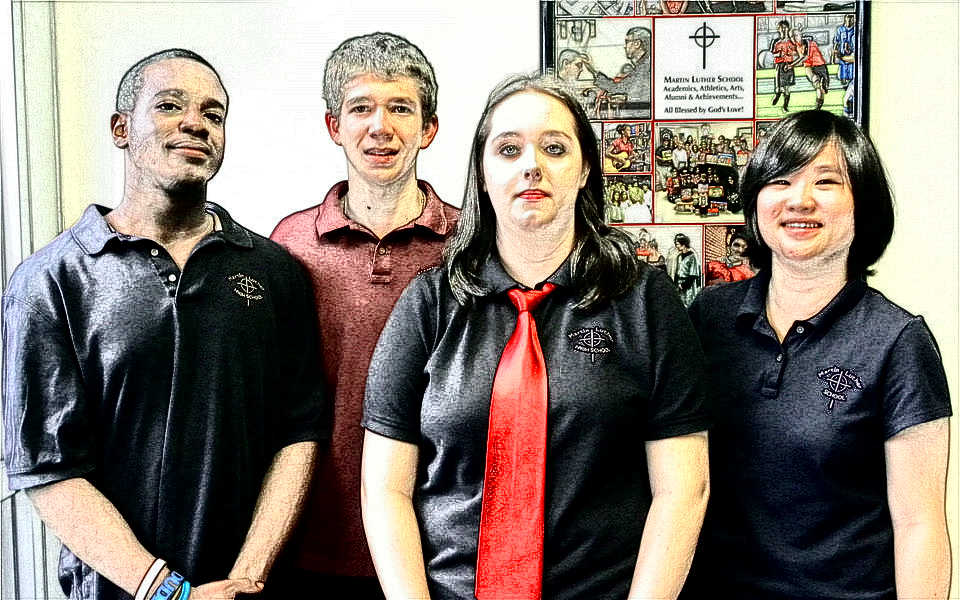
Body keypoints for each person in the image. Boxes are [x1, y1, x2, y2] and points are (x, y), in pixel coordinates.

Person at [361, 74, 710, 600]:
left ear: (584, 169)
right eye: (508, 149)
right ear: (482, 174)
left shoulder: (645, 301)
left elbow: (683, 490)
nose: (532, 166)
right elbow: (385, 489)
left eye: (554, 148)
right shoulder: (429, 303)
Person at [1, 49, 325, 600]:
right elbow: (49, 468)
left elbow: (298, 435)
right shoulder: (50, 281)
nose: (196, 123)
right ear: (121, 128)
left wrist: (245, 580)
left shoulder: (275, 273)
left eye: (213, 114)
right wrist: (168, 593)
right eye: (170, 106)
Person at [684, 110, 952, 599]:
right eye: (780, 180)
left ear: (862, 204)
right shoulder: (707, 317)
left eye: (826, 181)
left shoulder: (898, 340)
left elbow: (920, 525)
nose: (799, 200)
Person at [268, 33, 458, 598]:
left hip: (440, 545)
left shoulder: (470, 244)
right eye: (361, 108)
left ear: (429, 128)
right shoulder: (289, 244)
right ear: (334, 126)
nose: (381, 127)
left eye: (400, 108)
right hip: (312, 541)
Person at [770, 20, 797, 112]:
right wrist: (779, 54)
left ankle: (785, 106)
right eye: (782, 28)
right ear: (779, 29)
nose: (784, 29)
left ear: (788, 29)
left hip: (789, 65)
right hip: (780, 65)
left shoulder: (791, 41)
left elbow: (796, 52)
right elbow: (772, 54)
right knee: (779, 86)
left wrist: (791, 53)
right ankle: (777, 94)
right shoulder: (776, 41)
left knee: (787, 88)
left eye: (785, 27)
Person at [673, 233, 701, 307]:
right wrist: (675, 285)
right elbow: (677, 272)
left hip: (689, 287)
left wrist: (683, 286)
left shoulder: (692, 257)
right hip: (679, 286)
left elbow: (693, 275)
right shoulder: (679, 257)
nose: (676, 246)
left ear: (683, 244)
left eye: (677, 244)